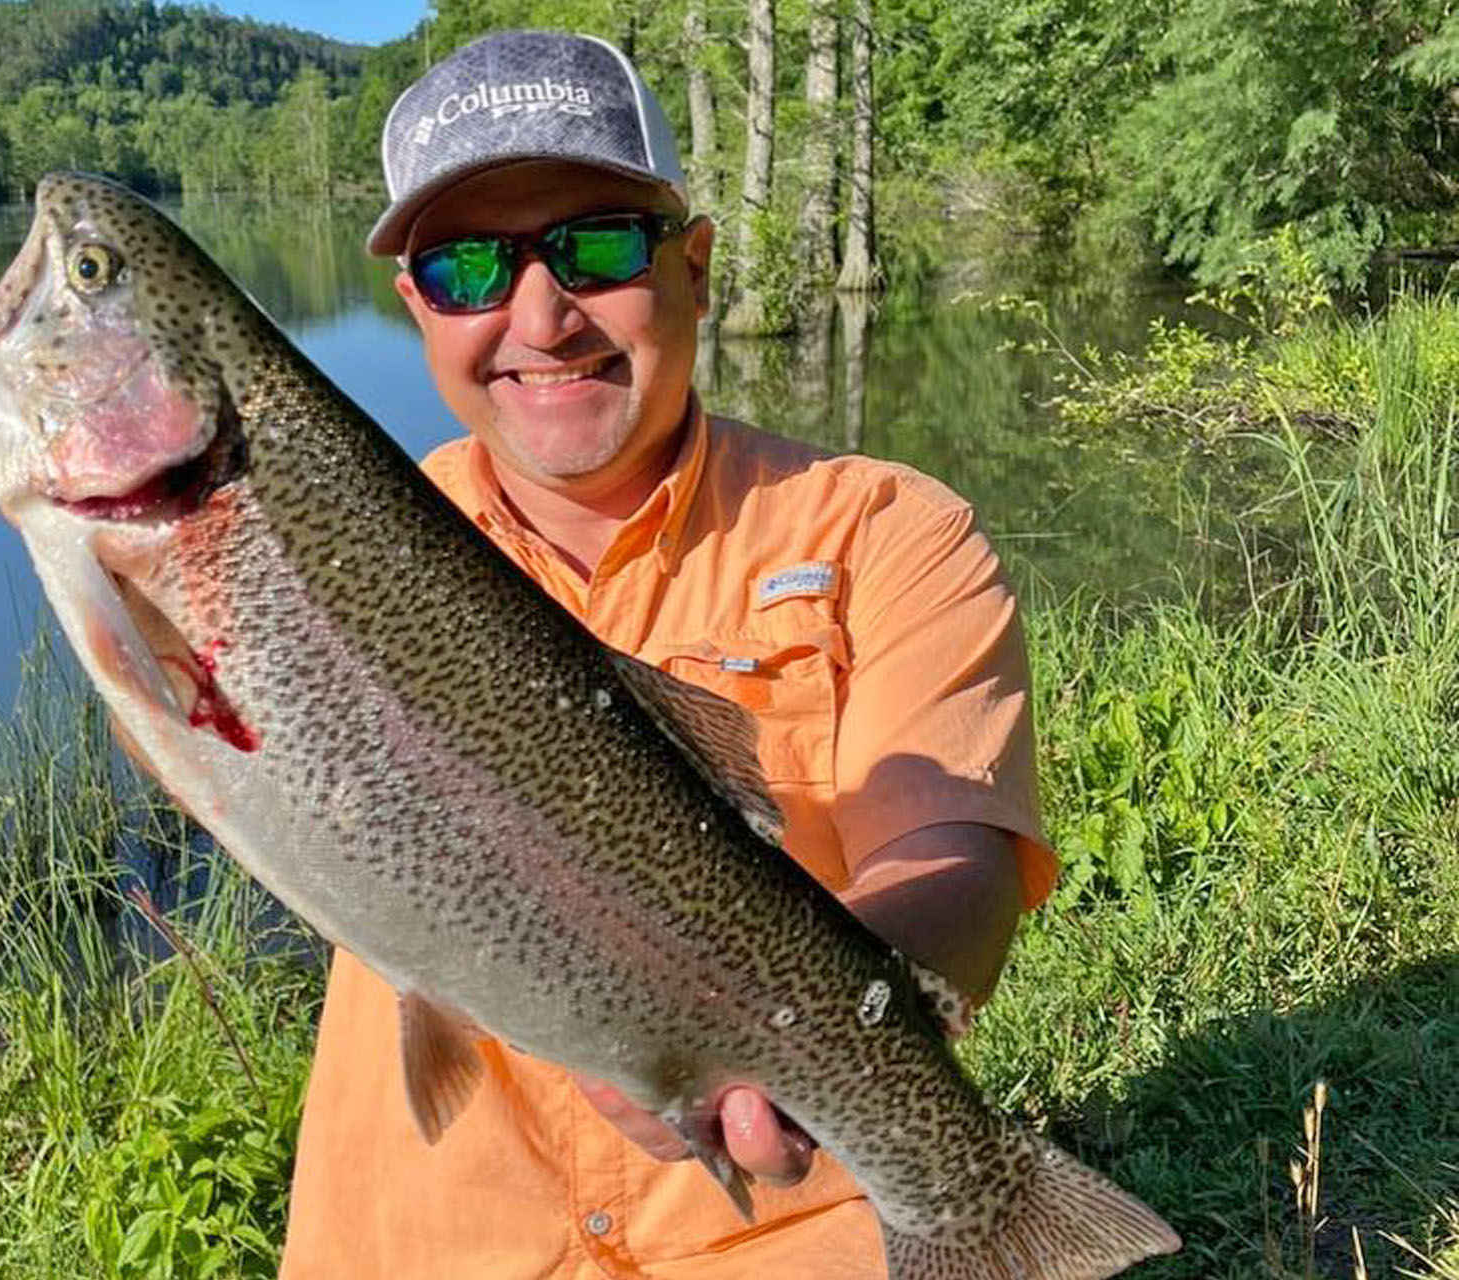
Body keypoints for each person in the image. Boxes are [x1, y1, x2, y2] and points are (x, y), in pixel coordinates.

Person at [279, 29, 1056, 1279]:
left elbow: (949, 858)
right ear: (419, 308)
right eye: (471, 264)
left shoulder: (886, 531)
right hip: (425, 1238)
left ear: (694, 265)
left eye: (595, 244)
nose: (541, 313)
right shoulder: (337, 541)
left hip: (775, 1234)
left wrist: (810, 1044)